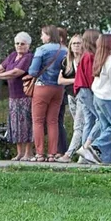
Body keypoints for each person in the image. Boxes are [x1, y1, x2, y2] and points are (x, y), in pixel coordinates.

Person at [0, 33, 33, 161]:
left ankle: (28, 153)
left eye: (22, 43)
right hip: (13, 96)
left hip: (24, 96)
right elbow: (0, 67)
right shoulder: (13, 56)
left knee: (26, 124)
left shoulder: (28, 57)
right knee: (15, 125)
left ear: (28, 45)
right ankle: (19, 153)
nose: (19, 46)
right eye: (17, 43)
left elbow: (16, 72)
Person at [79, 33, 111, 165]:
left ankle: (107, 159)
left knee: (105, 127)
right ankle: (93, 147)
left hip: (98, 97)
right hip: (109, 98)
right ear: (110, 44)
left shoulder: (100, 58)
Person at [26, 25, 67, 161]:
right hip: (59, 88)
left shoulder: (41, 49)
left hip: (42, 87)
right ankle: (52, 154)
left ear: (49, 36)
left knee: (38, 121)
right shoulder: (65, 50)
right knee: (53, 121)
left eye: (43, 34)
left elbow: (32, 71)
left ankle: (39, 153)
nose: (41, 37)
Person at [72, 29, 102, 163]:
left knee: (88, 121)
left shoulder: (85, 55)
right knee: (101, 118)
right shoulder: (90, 56)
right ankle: (87, 147)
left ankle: (83, 158)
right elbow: (91, 77)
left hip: (80, 90)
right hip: (87, 90)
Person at [56, 34, 85, 162]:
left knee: (78, 126)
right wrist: (76, 80)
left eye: (79, 43)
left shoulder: (85, 59)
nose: (76, 46)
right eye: (74, 43)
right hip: (70, 95)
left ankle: (69, 154)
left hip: (83, 95)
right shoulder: (66, 61)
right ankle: (84, 154)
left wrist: (74, 81)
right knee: (80, 125)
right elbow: (60, 80)